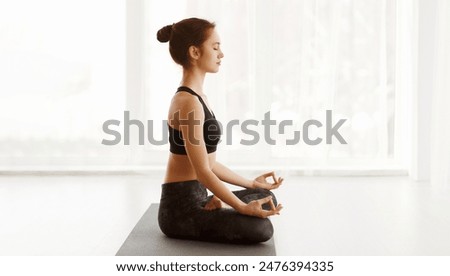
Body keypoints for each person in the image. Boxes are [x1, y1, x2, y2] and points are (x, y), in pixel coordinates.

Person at [156, 17, 283, 244]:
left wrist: (252, 184)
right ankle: (218, 204)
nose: (221, 54)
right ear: (195, 52)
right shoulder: (188, 103)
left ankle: (218, 203)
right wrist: (242, 207)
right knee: (262, 230)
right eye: (215, 47)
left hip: (200, 196)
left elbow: (210, 164)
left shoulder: (199, 98)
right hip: (180, 210)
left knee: (266, 195)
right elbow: (204, 172)